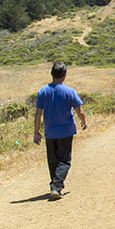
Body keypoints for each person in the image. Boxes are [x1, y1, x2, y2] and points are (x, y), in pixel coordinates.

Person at [33, 62, 87, 200]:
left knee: (53, 160)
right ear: (65, 75)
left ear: (52, 74)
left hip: (50, 132)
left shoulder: (43, 91)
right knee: (64, 161)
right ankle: (56, 187)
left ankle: (55, 186)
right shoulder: (69, 91)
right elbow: (79, 110)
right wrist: (83, 121)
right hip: (66, 131)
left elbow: (38, 113)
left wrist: (36, 132)